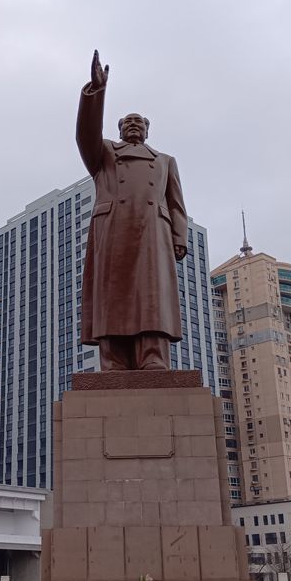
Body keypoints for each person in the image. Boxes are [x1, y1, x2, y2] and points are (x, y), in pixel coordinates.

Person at [76, 50, 188, 371]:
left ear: (148, 130)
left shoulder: (165, 160)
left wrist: (179, 237)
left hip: (153, 229)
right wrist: (96, 92)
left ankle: (153, 356)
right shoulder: (106, 153)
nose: (134, 126)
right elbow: (85, 135)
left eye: (139, 122)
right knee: (113, 294)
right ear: (120, 129)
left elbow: (175, 201)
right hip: (114, 227)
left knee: (152, 296)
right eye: (128, 122)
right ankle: (114, 359)